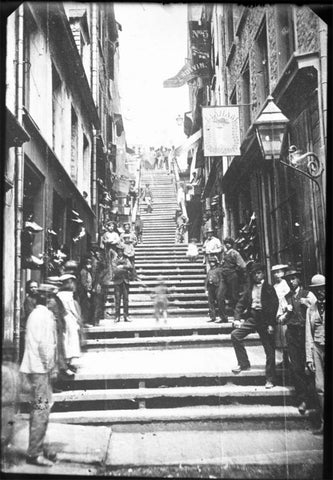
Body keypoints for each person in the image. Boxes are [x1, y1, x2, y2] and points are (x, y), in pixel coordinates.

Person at [20, 284, 58, 466]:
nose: (54, 301)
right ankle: (34, 453)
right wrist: (50, 366)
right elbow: (44, 346)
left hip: (38, 369)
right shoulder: (43, 316)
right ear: (47, 299)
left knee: (42, 409)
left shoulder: (37, 315)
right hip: (40, 371)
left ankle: (40, 447)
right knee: (41, 410)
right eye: (52, 298)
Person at [231, 262, 278, 389]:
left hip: (266, 320)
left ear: (263, 274)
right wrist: (237, 318)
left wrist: (271, 324)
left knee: (269, 350)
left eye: (259, 273)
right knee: (235, 335)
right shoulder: (249, 289)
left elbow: (274, 307)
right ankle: (244, 363)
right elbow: (240, 304)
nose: (257, 276)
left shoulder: (269, 288)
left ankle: (270, 379)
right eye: (254, 274)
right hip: (253, 318)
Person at [282, 268, 317, 414]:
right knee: (296, 367)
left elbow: (319, 311)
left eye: (293, 279)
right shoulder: (286, 297)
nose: (291, 282)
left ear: (299, 279)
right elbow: (280, 319)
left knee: (309, 366)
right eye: (289, 279)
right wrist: (285, 313)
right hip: (292, 333)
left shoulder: (308, 294)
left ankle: (313, 399)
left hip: (306, 333)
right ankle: (303, 399)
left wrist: (307, 305)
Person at [305, 274, 325, 435]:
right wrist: (309, 357)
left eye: (322, 289)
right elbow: (308, 335)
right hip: (317, 349)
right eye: (316, 290)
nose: (320, 292)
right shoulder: (311, 309)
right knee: (320, 387)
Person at [57, 274, 83, 373]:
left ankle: (68, 362)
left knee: (67, 340)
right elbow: (73, 309)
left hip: (65, 318)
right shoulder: (67, 295)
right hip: (69, 319)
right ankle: (68, 362)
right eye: (71, 282)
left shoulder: (60, 294)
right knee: (70, 340)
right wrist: (78, 319)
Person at [219, 237, 247, 322]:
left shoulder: (235, 253)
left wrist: (237, 271)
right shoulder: (224, 254)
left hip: (232, 276)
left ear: (232, 244)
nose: (227, 244)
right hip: (224, 276)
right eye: (226, 243)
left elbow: (243, 265)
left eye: (229, 243)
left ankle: (237, 317)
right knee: (219, 296)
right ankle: (223, 317)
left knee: (234, 296)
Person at [2, 341, 20, 451]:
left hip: (12, 407)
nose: (7, 356)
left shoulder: (15, 368)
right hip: (3, 406)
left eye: (10, 353)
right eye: (4, 353)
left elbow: (23, 384)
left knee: (9, 429)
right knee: (4, 431)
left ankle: (7, 452)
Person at [271, 264, 290, 368]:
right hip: (277, 312)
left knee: (285, 335)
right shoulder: (274, 286)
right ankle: (284, 359)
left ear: (283, 273)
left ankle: (288, 359)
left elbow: (287, 298)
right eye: (275, 273)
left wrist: (285, 312)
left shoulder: (285, 284)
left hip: (284, 312)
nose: (276, 274)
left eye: (279, 272)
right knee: (280, 338)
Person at [110, 244, 133, 322]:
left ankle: (126, 316)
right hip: (117, 282)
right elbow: (115, 270)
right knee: (117, 299)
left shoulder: (126, 259)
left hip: (125, 281)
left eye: (122, 251)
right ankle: (117, 317)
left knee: (126, 299)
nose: (120, 253)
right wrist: (124, 269)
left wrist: (122, 267)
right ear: (117, 251)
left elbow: (130, 267)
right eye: (119, 251)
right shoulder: (114, 260)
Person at [20, 280, 39, 360]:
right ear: (28, 288)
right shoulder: (28, 300)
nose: (34, 289)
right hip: (33, 324)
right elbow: (31, 313)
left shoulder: (39, 298)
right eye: (31, 287)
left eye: (35, 287)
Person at [205, 255, 225, 323]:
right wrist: (206, 289)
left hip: (217, 287)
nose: (211, 263)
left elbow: (221, 279)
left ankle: (223, 317)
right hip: (211, 287)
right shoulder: (209, 271)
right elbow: (206, 280)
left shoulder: (219, 270)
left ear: (215, 262)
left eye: (213, 262)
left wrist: (220, 288)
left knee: (220, 302)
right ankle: (212, 316)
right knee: (210, 302)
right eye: (210, 262)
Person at [78, 256, 93, 325]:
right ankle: (85, 321)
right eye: (88, 263)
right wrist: (87, 291)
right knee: (85, 306)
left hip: (87, 290)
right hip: (84, 292)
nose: (90, 265)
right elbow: (84, 282)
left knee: (87, 306)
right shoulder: (84, 272)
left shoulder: (87, 271)